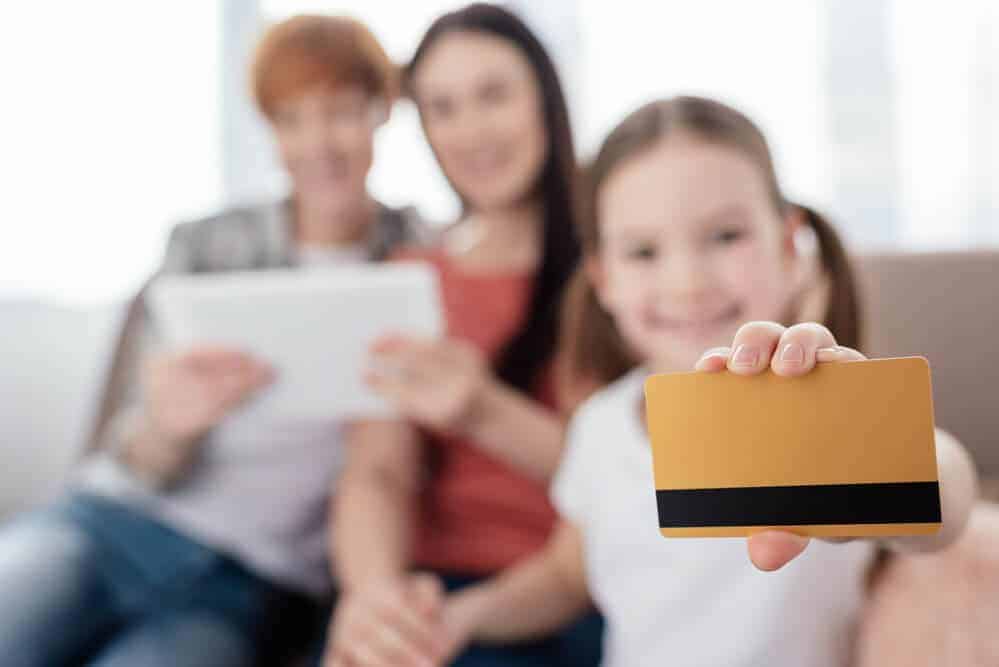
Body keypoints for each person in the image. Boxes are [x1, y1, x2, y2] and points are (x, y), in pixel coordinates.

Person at [340, 95, 979, 667]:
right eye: (643, 252)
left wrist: (877, 441)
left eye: (725, 236)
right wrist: (463, 617)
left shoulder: (820, 408)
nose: (686, 282)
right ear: (604, 279)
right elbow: (569, 575)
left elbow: (946, 506)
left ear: (790, 248)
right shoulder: (600, 425)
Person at [0, 15, 425, 667]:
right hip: (111, 524)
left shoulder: (420, 260)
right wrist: (170, 428)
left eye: (340, 112)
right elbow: (134, 452)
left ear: (381, 112)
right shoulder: (204, 246)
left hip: (243, 585)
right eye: (291, 119)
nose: (319, 144)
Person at [323, 5, 602, 666]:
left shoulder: (619, 267)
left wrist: (481, 411)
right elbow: (376, 472)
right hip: (426, 592)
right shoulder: (411, 277)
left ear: (545, 98)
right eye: (442, 108)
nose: (471, 130)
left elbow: (629, 479)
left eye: (493, 95)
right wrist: (375, 603)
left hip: (561, 597)